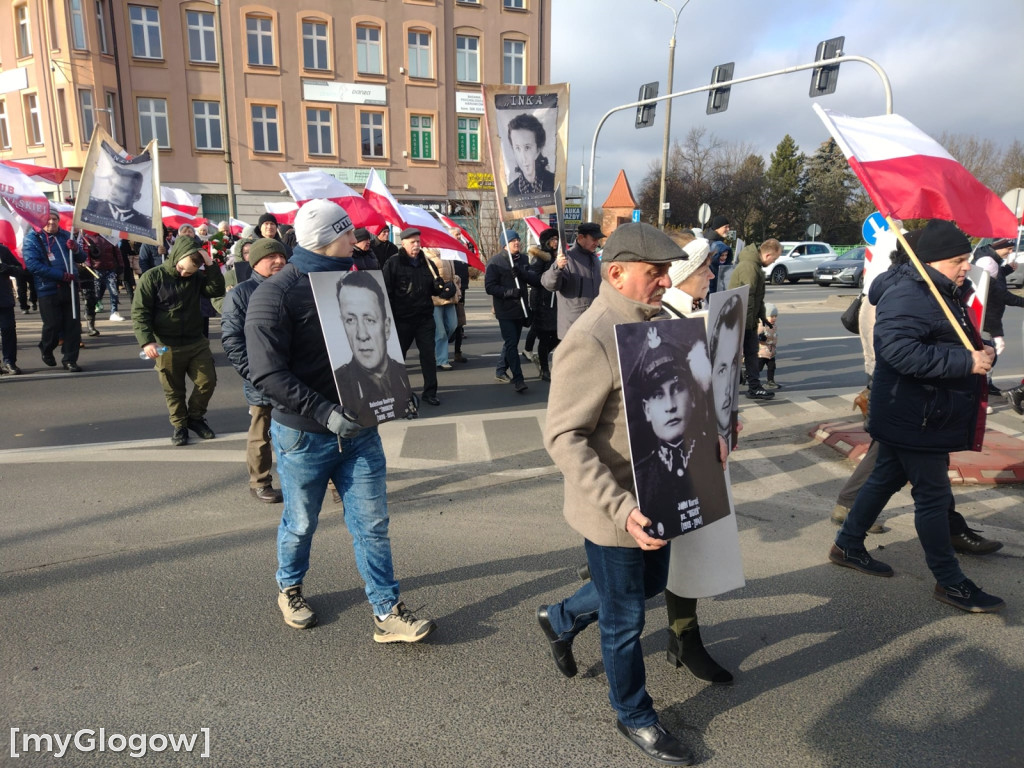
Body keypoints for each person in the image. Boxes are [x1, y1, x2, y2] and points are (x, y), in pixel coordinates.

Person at [537, 222, 694, 766]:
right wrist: (622, 509)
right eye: (656, 272)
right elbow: (563, 437)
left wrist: (715, 432)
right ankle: (634, 715)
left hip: (660, 497)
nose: (666, 280)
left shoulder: (660, 324)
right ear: (617, 273)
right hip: (616, 512)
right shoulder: (592, 337)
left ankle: (560, 618)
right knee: (626, 619)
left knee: (647, 588)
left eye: (668, 271)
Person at [244, 199, 436, 642]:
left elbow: (375, 348)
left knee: (372, 523)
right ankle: (289, 587)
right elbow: (267, 374)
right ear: (328, 241)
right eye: (348, 234)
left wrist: (395, 394)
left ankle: (387, 611)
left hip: (361, 431)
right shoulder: (275, 295)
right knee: (301, 520)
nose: (357, 240)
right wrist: (324, 412)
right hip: (305, 436)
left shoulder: (353, 282)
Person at [831, 219, 1003, 614]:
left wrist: (982, 349)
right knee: (933, 496)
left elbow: (941, 336)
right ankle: (950, 581)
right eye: (957, 260)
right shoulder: (910, 293)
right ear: (930, 261)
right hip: (918, 414)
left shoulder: (939, 289)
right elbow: (899, 351)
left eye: (967, 259)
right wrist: (966, 361)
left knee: (884, 477)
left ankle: (847, 544)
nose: (965, 267)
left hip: (918, 411)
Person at [658, 234, 742, 685]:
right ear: (684, 273)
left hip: (706, 453)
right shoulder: (659, 320)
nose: (712, 275)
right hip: (671, 457)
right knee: (650, 561)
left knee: (689, 549)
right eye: (705, 268)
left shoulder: (699, 315)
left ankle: (684, 639)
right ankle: (565, 615)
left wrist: (729, 418)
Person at [132, 233, 225, 446]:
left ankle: (195, 418)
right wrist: (147, 342)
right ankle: (180, 425)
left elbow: (216, 289)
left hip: (195, 341)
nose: (184, 273)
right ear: (175, 257)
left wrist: (209, 264)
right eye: (181, 268)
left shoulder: (197, 278)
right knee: (173, 389)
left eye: (189, 271)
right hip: (165, 344)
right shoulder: (152, 278)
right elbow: (140, 312)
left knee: (207, 382)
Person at [220, 238, 288, 503]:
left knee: (312, 430)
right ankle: (260, 482)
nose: (279, 261)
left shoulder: (294, 286)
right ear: (255, 262)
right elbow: (232, 341)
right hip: (263, 379)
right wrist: (256, 374)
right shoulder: (240, 294)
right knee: (261, 433)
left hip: (296, 376)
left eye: (282, 256)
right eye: (272, 257)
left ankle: (323, 482)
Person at [333, 269, 414, 427]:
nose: (362, 335)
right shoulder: (339, 383)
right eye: (350, 320)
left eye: (369, 320)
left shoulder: (402, 378)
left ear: (386, 327)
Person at [380, 227, 444, 407]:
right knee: (397, 358)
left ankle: (430, 392)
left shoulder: (427, 262)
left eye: (418, 242)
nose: (416, 245)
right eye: (412, 242)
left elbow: (434, 289)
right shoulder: (393, 263)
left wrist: (440, 287)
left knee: (428, 356)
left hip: (424, 318)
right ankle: (394, 392)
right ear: (404, 243)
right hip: (402, 319)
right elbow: (385, 291)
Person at [23, 211, 86, 371]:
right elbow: (33, 265)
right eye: (48, 219)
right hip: (48, 288)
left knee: (73, 325)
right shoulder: (32, 238)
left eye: (54, 219)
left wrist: (76, 249)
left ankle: (70, 359)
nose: (51, 222)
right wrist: (61, 275)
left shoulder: (66, 235)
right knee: (52, 325)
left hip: (69, 288)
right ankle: (46, 348)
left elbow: (82, 258)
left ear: (59, 221)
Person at [728, 238, 781, 400]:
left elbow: (757, 297)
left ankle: (753, 386)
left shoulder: (753, 265)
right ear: (768, 254)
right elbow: (748, 297)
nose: (774, 262)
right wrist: (749, 323)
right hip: (742, 319)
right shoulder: (750, 267)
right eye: (775, 258)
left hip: (745, 319)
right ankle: (750, 387)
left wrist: (761, 315)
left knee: (750, 354)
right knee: (744, 354)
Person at [485, 230, 537, 393]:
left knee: (511, 342)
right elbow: (490, 287)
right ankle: (518, 379)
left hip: (521, 309)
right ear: (504, 243)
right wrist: (509, 292)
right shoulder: (496, 261)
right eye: (513, 240)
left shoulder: (523, 259)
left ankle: (500, 370)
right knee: (512, 343)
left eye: (518, 240)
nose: (517, 242)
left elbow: (533, 279)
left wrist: (522, 273)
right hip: (505, 310)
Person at [971, 238, 1024, 399]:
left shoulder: (988, 257)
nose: (1010, 252)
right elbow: (1002, 295)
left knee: (988, 351)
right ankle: (982, 390)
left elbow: (997, 279)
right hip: (987, 318)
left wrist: (1007, 269)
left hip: (986, 316)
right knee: (989, 353)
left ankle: (987, 384)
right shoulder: (988, 263)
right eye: (1008, 249)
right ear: (999, 247)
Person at [541, 221, 605, 339]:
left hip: (594, 325)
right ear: (581, 237)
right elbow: (548, 283)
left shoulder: (596, 260)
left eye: (598, 239)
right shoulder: (567, 258)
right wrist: (557, 268)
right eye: (594, 239)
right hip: (573, 327)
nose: (597, 243)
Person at [526, 227, 560, 381]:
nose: (556, 242)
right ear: (546, 242)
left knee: (560, 336)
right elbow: (534, 279)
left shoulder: (559, 256)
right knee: (544, 337)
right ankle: (545, 370)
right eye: (553, 239)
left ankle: (542, 358)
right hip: (543, 302)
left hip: (558, 302)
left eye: (557, 239)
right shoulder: (540, 258)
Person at [83, 166, 152, 232]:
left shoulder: (145, 222)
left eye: (121, 189)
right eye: (112, 185)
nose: (112, 192)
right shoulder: (92, 207)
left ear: (136, 197)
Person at [505, 113, 555, 201]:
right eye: (517, 148)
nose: (523, 157)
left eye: (527, 148)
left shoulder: (553, 183)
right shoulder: (511, 191)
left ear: (538, 149)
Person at [425, 248, 461, 371]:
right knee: (440, 332)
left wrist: (457, 288)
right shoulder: (425, 254)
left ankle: (437, 344)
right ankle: (442, 359)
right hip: (435, 298)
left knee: (453, 325)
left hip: (449, 295)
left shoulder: (447, 253)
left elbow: (452, 276)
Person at [82, 230, 124, 322]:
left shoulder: (110, 236)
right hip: (96, 269)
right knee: (96, 293)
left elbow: (117, 251)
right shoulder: (88, 237)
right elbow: (86, 254)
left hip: (110, 268)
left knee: (114, 292)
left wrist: (121, 265)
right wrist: (88, 266)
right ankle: (90, 311)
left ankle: (114, 312)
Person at [0, 242, 27, 374]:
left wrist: (7, 268)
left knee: (8, 331)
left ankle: (9, 362)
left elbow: (19, 269)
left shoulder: (3, 250)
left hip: (3, 299)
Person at [703, 215, 732, 293]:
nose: (728, 229)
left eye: (728, 227)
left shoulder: (715, 241)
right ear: (717, 227)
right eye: (725, 227)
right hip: (713, 288)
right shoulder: (711, 243)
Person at [757, 303, 780, 389]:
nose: (774, 318)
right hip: (762, 352)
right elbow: (756, 336)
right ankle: (752, 378)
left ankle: (770, 381)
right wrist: (760, 337)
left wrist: (773, 342)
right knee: (758, 367)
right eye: (772, 316)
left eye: (775, 316)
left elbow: (774, 337)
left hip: (771, 352)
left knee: (772, 367)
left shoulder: (774, 326)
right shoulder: (761, 325)